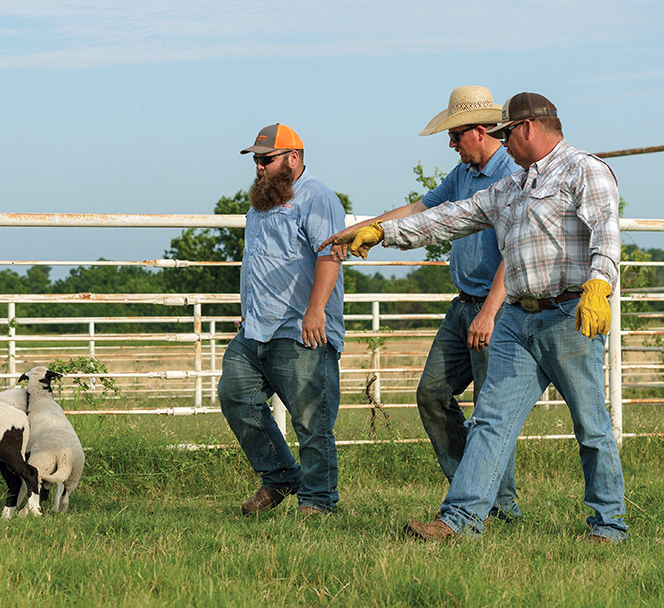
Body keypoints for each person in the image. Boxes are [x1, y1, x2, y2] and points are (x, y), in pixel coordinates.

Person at [332, 92, 627, 542]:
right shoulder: (511, 187)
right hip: (517, 318)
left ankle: (608, 525)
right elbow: (450, 218)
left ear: (527, 127)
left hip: (569, 315)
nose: (503, 143)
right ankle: (461, 521)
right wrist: (383, 232)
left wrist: (600, 284)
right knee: (490, 420)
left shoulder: (585, 170)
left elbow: (606, 230)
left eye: (506, 134)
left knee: (591, 425)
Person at [323, 86, 521, 519]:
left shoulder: (513, 175)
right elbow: (420, 207)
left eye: (455, 135)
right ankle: (473, 490)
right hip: (464, 303)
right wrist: (363, 228)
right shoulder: (463, 174)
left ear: (481, 130)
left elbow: (516, 250)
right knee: (431, 394)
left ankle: (498, 507)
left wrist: (489, 310)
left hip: (498, 307)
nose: (451, 144)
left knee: (490, 414)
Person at [219, 123, 346, 517]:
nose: (259, 167)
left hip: (300, 326)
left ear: (293, 158)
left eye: (266, 159)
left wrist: (315, 311)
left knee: (311, 417)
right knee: (235, 395)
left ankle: (319, 500)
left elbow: (330, 255)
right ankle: (280, 476)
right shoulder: (260, 204)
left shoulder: (318, 198)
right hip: (256, 326)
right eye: (256, 160)